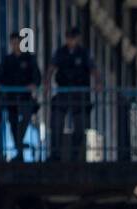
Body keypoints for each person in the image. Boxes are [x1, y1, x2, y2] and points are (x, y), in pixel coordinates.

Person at [45, 26, 100, 163]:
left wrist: (98, 82)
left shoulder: (84, 53)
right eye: (68, 37)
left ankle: (76, 154)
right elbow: (51, 68)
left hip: (79, 93)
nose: (70, 40)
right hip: (63, 91)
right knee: (56, 122)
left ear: (77, 38)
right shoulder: (61, 52)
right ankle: (55, 154)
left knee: (80, 126)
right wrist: (47, 83)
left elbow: (93, 69)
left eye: (73, 38)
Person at [0, 32, 41, 161]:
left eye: (17, 43)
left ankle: (19, 144)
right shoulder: (7, 60)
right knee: (13, 123)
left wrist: (34, 84)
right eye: (12, 43)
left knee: (25, 119)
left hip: (25, 97)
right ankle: (19, 150)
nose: (15, 46)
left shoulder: (29, 59)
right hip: (11, 98)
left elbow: (36, 76)